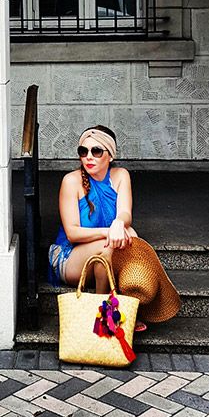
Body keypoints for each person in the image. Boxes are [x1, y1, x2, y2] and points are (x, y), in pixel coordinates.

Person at [48, 124, 140, 303]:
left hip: (105, 256)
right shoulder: (71, 181)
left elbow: (125, 213)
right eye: (84, 151)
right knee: (105, 246)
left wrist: (119, 223)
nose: (89, 157)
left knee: (130, 234)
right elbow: (72, 234)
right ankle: (103, 312)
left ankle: (124, 306)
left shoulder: (121, 175)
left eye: (96, 151)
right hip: (71, 258)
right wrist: (109, 231)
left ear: (111, 155)